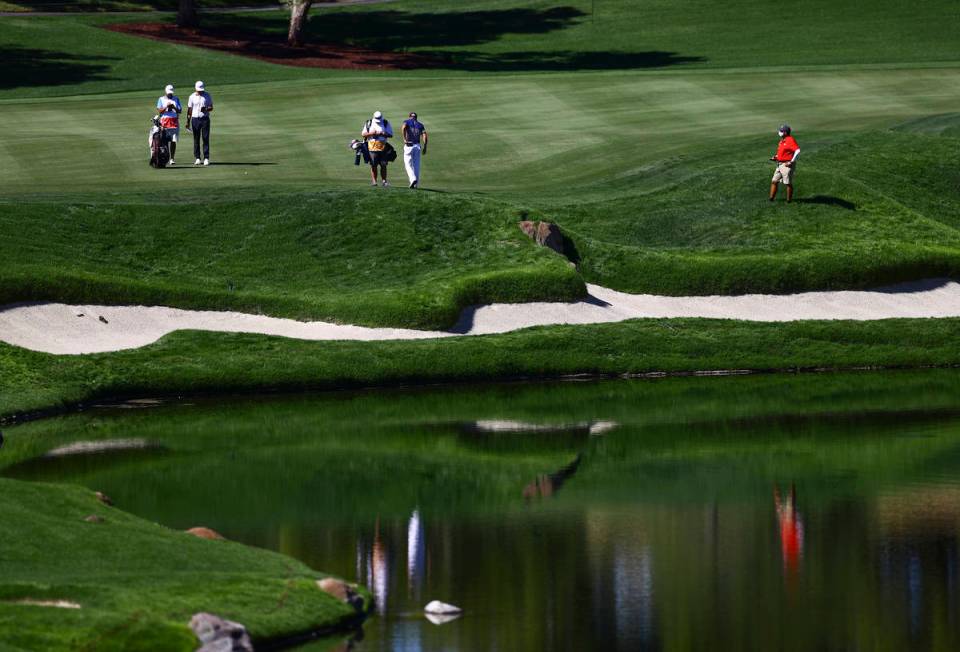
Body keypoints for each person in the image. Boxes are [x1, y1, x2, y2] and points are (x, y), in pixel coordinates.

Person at [361, 110, 393, 187]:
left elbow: (391, 134)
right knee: (373, 165)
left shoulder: (385, 123)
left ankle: (384, 181)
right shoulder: (369, 123)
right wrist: (372, 133)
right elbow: (363, 134)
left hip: (383, 147)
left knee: (383, 165)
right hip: (372, 147)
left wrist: (383, 133)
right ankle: (374, 182)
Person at [769, 123, 800, 202]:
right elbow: (782, 152)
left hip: (787, 165)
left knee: (787, 183)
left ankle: (789, 200)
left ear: (785, 132)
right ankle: (771, 198)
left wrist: (791, 161)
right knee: (774, 181)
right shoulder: (782, 141)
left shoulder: (790, 140)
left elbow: (797, 150)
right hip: (779, 164)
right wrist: (776, 157)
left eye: (781, 131)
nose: (779, 132)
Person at [187, 80, 214, 166]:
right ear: (196, 88)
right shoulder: (191, 96)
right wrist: (187, 121)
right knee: (196, 139)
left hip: (205, 119)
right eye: (199, 89)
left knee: (205, 138)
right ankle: (197, 158)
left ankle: (206, 158)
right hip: (195, 119)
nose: (200, 91)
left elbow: (211, 107)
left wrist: (206, 109)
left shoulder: (207, 95)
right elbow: (189, 110)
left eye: (201, 89)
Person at [155, 84, 181, 165]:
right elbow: (159, 111)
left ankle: (172, 158)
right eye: (169, 93)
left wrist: (173, 107)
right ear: (165, 92)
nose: (170, 94)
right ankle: (165, 157)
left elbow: (179, 111)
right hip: (164, 123)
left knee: (173, 141)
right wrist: (166, 106)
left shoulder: (176, 99)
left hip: (174, 122)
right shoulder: (161, 99)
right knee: (164, 142)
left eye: (171, 93)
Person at [401, 111, 428, 189]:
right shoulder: (420, 125)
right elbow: (425, 136)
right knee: (416, 165)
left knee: (408, 164)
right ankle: (416, 185)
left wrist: (404, 139)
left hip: (409, 145)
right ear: (416, 117)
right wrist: (425, 146)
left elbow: (403, 127)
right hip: (417, 146)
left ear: (410, 117)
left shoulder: (407, 122)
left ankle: (413, 179)